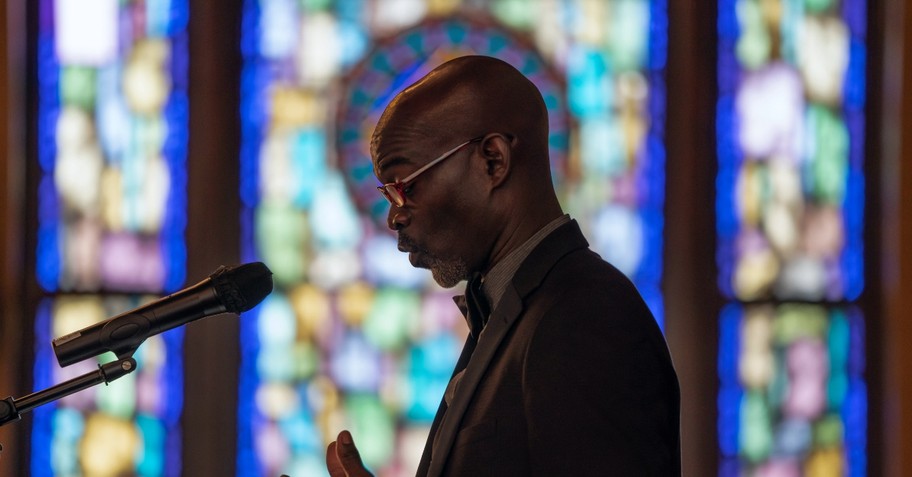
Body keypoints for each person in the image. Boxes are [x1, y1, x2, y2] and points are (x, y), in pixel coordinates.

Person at [326, 55, 681, 476]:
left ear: (493, 161)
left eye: (406, 186)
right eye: (389, 196)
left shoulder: (584, 314)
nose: (395, 216)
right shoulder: (507, 310)